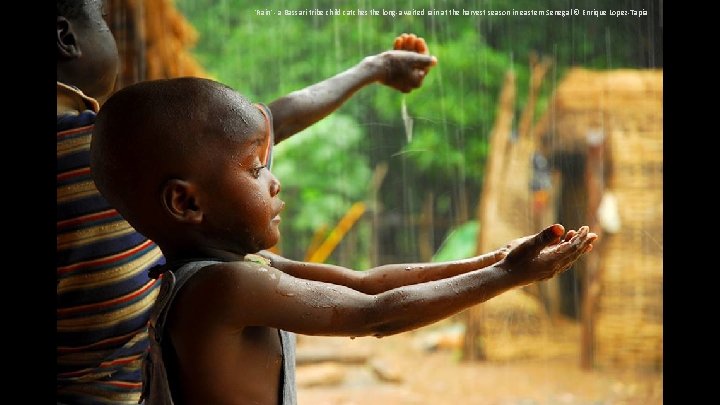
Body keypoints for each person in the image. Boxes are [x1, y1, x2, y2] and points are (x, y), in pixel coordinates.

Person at [89, 77, 597, 405]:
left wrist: (495, 259)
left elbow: (368, 283)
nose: (274, 181)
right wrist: (512, 276)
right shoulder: (222, 287)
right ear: (186, 203)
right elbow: (377, 314)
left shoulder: (236, 270)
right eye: (254, 167)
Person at [57, 0, 436, 402]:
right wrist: (370, 69)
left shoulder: (121, 156)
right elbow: (268, 123)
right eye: (101, 17)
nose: (271, 181)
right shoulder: (118, 153)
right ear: (66, 38)